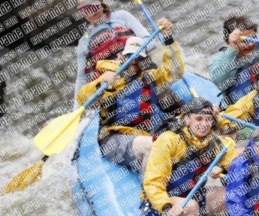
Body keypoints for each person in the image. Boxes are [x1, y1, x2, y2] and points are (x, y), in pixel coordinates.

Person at [76, 18, 183, 175]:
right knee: (152, 146)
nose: (134, 61)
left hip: (144, 133)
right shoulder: (109, 79)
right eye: (130, 56)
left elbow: (174, 70)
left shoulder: (149, 76)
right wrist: (100, 82)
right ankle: (148, 195)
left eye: (139, 57)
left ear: (144, 60)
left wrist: (168, 39)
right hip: (114, 138)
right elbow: (82, 98)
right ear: (121, 56)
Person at [141, 98, 238, 216]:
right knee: (191, 206)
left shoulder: (217, 143)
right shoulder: (169, 140)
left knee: (234, 192)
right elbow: (153, 183)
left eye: (208, 120)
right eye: (198, 119)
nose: (204, 124)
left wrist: (222, 170)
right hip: (164, 204)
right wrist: (168, 207)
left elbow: (239, 167)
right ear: (187, 119)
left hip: (195, 197)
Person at [74, 0, 156, 110]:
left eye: (94, 7)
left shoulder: (122, 16)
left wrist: (130, 55)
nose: (92, 13)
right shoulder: (83, 42)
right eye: (86, 9)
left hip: (142, 74)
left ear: (101, 4)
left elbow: (151, 42)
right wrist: (76, 113)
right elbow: (81, 82)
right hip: (115, 92)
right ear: (83, 13)